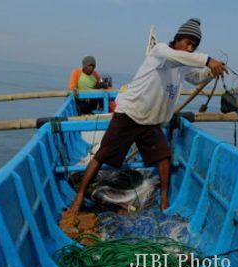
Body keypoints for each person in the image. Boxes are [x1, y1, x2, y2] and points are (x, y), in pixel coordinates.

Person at [70, 18, 228, 212]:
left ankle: (164, 201)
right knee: (101, 155)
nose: (189, 49)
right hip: (129, 114)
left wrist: (212, 71)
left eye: (193, 47)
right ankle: (78, 198)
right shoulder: (160, 51)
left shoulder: (183, 64)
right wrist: (208, 60)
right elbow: (186, 58)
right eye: (187, 43)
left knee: (164, 157)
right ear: (177, 39)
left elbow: (196, 77)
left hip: (151, 121)